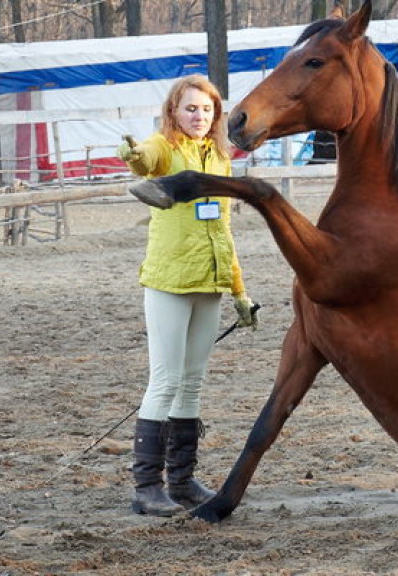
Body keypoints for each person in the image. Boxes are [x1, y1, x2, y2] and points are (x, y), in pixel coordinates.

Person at [117, 74, 259, 517]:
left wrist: (239, 291)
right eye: (190, 108)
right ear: (174, 111)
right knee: (165, 380)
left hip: (209, 284)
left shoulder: (220, 157)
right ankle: (146, 487)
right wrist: (134, 155)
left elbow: (223, 229)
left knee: (192, 383)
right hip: (170, 284)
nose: (199, 116)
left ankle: (180, 480)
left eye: (207, 109)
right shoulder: (164, 147)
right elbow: (144, 162)